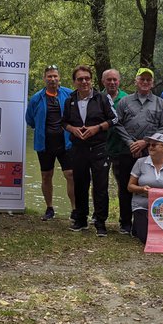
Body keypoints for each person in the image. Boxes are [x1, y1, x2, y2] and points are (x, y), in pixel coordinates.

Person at [62, 65, 117, 236]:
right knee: (80, 184)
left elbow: (114, 119)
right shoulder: (70, 99)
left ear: (92, 80)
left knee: (100, 186)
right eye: (80, 79)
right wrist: (72, 129)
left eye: (87, 78)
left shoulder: (102, 98)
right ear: (75, 82)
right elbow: (63, 122)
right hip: (78, 148)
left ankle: (100, 222)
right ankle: (81, 219)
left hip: (99, 147)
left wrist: (97, 128)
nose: (84, 81)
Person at [112, 68, 163, 234]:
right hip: (127, 151)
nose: (145, 82)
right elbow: (117, 123)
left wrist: (145, 142)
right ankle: (125, 223)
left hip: (150, 152)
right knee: (125, 186)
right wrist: (131, 143)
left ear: (152, 82)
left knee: (150, 186)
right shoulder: (125, 102)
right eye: (142, 79)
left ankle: (150, 220)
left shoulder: (160, 103)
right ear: (136, 81)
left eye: (148, 80)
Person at [25, 65, 75, 221]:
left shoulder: (69, 94)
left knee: (70, 174)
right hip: (45, 143)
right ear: (44, 78)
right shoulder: (37, 98)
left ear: (59, 78)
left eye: (55, 76)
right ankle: (49, 208)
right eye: (49, 76)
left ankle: (75, 209)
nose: (52, 79)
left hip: (66, 142)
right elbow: (30, 119)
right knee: (46, 176)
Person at [127, 133, 163, 243]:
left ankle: (141, 225)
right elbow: (130, 187)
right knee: (146, 238)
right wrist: (141, 189)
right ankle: (140, 223)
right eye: (149, 144)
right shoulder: (140, 162)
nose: (150, 147)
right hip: (142, 204)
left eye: (154, 145)